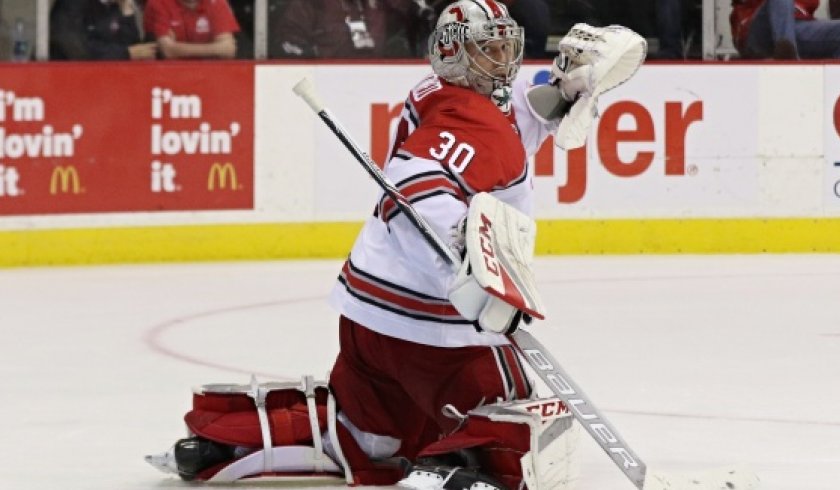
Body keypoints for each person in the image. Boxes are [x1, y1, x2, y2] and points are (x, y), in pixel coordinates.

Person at [146, 1, 646, 488]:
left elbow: (509, 123)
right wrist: (478, 267)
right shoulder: (475, 122)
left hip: (369, 318)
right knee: (511, 414)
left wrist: (560, 90)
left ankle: (225, 443)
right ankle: (448, 470)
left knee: (373, 433)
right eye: (489, 51)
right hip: (435, 324)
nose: (505, 61)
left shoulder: (436, 92)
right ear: (456, 56)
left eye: (505, 48)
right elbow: (415, 185)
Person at [269, 0, 435, 59]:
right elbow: (288, 41)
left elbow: (420, 15)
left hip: (377, 80)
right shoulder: (313, 3)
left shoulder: (383, 3)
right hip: (327, 83)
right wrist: (314, 58)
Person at [730, 0, 840, 59]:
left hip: (797, 27)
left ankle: (836, 90)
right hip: (758, 32)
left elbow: (811, 6)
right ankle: (789, 62)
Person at [49, 0, 157, 60]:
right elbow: (77, 48)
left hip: (105, 80)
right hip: (63, 77)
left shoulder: (117, 5)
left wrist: (126, 13)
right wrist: (125, 53)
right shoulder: (72, 4)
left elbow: (134, 48)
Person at [142, 0, 240, 59]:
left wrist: (178, 48)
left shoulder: (216, 2)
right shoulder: (159, 2)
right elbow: (168, 51)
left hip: (209, 72)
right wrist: (216, 48)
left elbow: (229, 50)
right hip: (167, 73)